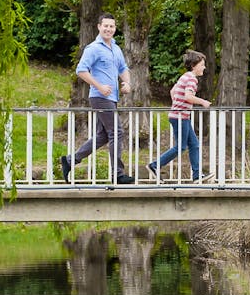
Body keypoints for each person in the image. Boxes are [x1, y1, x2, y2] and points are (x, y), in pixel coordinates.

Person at [61, 13, 134, 185]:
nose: (109, 29)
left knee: (103, 136)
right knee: (117, 131)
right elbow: (81, 70)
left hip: (112, 98)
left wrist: (127, 83)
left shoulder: (115, 48)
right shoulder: (93, 48)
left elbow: (123, 68)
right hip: (99, 97)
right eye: (106, 26)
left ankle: (71, 160)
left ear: (115, 29)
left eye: (112, 26)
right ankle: (118, 174)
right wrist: (99, 86)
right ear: (99, 27)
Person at [146, 49, 213, 183]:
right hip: (180, 117)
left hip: (180, 115)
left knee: (194, 145)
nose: (204, 68)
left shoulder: (185, 76)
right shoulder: (192, 79)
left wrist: (177, 104)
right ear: (194, 65)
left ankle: (196, 175)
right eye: (202, 65)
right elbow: (188, 96)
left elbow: (173, 91)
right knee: (181, 147)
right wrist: (202, 102)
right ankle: (154, 166)